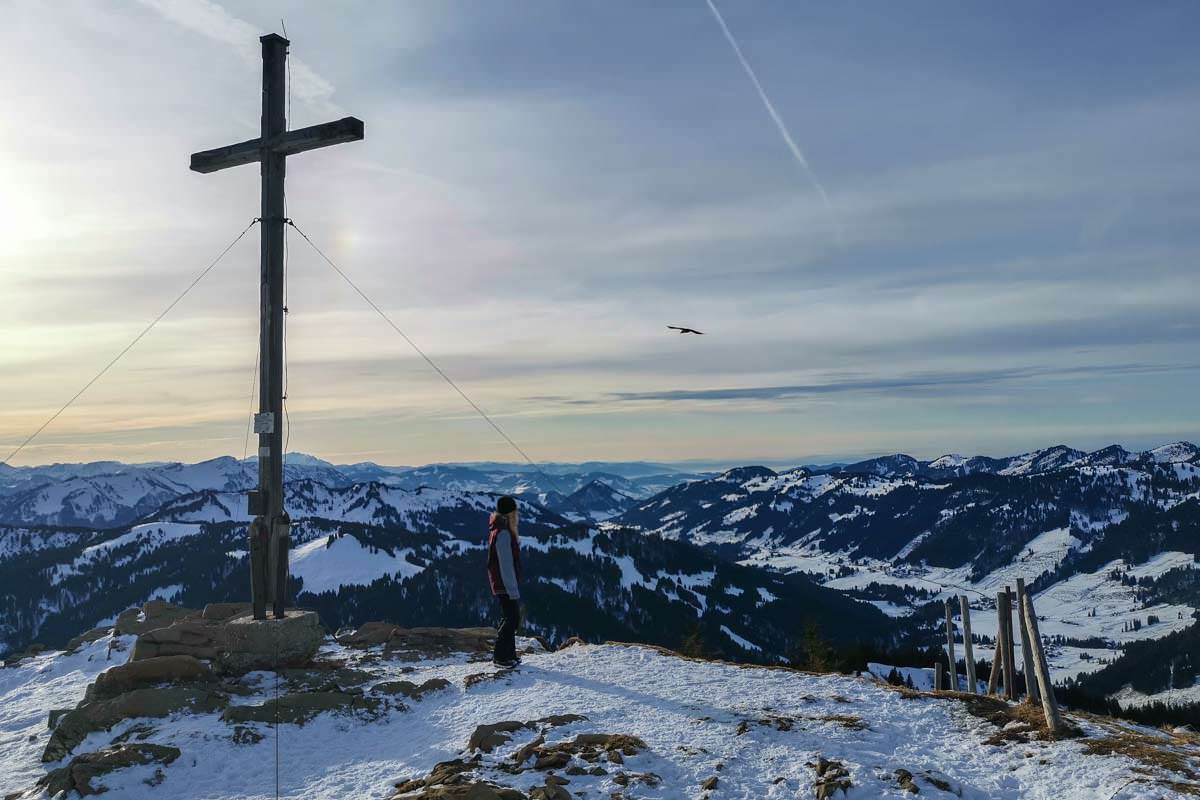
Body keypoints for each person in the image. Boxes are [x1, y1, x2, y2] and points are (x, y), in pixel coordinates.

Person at [487, 495, 522, 667]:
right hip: (505, 584)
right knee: (512, 619)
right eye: (515, 512)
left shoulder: (499, 529)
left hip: (502, 583)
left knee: (510, 618)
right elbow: (506, 565)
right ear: (510, 514)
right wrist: (512, 589)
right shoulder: (504, 534)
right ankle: (500, 657)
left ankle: (509, 655)